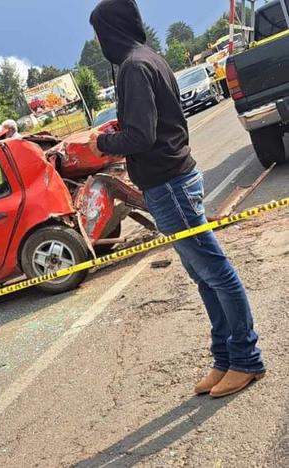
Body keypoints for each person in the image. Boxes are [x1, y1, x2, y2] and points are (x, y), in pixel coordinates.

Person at [88, 0, 265, 398]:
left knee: (215, 272)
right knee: (203, 276)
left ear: (112, 30)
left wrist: (101, 142)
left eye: (98, 33)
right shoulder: (146, 58)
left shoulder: (134, 67)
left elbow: (141, 137)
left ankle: (246, 360)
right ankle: (225, 356)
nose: (98, 41)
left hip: (170, 185)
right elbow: (151, 123)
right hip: (171, 182)